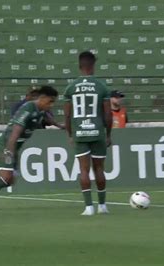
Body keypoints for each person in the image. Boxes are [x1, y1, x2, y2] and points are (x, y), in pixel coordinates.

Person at [0, 86, 59, 211]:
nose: (51, 105)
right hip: (7, 143)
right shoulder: (28, 109)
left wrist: (61, 126)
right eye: (50, 101)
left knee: (10, 180)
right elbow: (14, 133)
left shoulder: (40, 110)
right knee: (6, 176)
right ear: (42, 98)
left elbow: (48, 120)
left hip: (15, 146)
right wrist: (9, 153)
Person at [64, 51, 113, 216]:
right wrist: (108, 134)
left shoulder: (70, 88)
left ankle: (88, 207)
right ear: (93, 66)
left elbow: (67, 115)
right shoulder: (102, 86)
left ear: (79, 66)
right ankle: (103, 206)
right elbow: (108, 114)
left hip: (80, 133)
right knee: (99, 168)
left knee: (83, 169)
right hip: (97, 131)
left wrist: (70, 134)